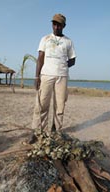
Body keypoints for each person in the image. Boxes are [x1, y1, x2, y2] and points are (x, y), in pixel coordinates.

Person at [29, 13, 76, 143]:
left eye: (59, 24)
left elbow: (73, 60)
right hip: (46, 76)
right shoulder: (45, 39)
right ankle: (37, 132)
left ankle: (56, 132)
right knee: (41, 104)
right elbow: (40, 58)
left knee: (59, 106)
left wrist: (62, 65)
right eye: (54, 24)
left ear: (64, 26)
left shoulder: (68, 42)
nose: (56, 27)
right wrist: (36, 76)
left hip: (62, 76)